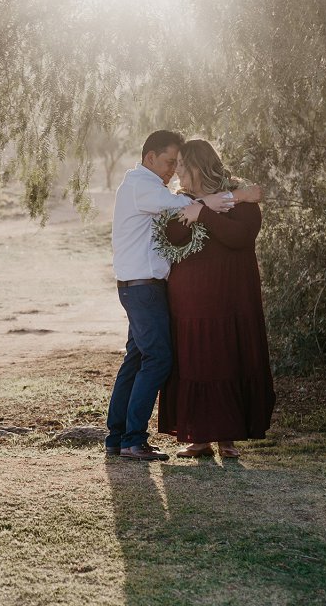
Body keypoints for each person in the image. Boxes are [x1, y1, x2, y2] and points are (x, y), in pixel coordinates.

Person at [106, 130, 259, 461]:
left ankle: (118, 437)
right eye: (169, 162)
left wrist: (228, 200)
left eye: (179, 164)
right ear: (150, 159)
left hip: (158, 289)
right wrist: (233, 197)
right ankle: (134, 439)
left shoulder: (151, 188)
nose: (173, 171)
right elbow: (178, 215)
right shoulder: (144, 187)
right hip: (148, 289)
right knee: (160, 359)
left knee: (138, 358)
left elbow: (232, 233)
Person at [157, 138, 275, 458]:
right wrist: (200, 206)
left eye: (183, 164)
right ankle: (199, 437)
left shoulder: (241, 199)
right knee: (197, 361)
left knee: (228, 358)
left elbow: (241, 237)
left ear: (199, 165)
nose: (177, 170)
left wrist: (205, 212)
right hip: (192, 297)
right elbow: (174, 235)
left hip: (233, 293)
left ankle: (228, 439)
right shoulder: (178, 202)